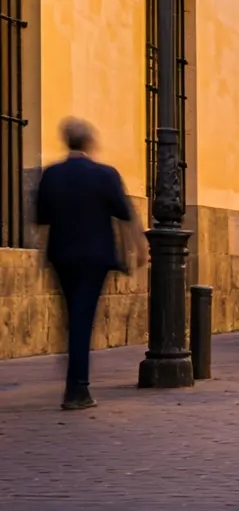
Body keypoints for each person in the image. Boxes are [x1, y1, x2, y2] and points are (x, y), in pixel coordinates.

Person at [36, 118, 145, 410]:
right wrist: (139, 249)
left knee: (73, 315)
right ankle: (77, 389)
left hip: (62, 255)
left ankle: (75, 375)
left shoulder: (51, 175)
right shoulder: (105, 175)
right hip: (94, 257)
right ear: (88, 143)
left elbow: (42, 221)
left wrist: (40, 259)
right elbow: (126, 215)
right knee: (83, 317)